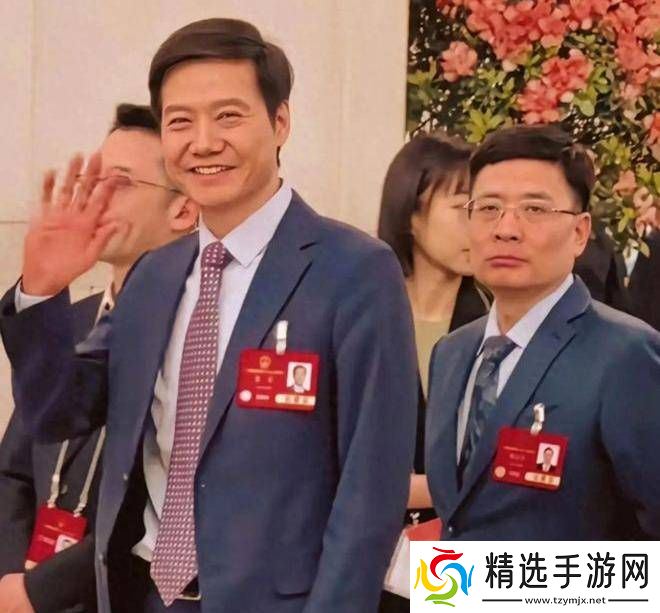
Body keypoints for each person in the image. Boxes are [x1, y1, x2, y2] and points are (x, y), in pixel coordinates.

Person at [0, 18, 417, 613]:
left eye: (228, 116)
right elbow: (58, 412)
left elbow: (370, 492)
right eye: (180, 122)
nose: (203, 142)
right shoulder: (155, 276)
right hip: (146, 593)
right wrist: (41, 293)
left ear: (280, 122)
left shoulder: (354, 272)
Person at [0, 103, 198, 613]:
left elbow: (158, 509)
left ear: (183, 210)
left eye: (121, 183)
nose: (95, 197)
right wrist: (12, 578)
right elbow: (14, 471)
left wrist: (41, 591)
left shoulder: (200, 335)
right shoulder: (71, 320)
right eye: (93, 181)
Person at [425, 125, 660, 540]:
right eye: (488, 208)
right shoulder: (452, 352)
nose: (506, 228)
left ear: (580, 232)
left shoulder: (626, 356)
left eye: (534, 209)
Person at [377, 132, 489, 612]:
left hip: (460, 560)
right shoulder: (362, 314)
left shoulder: (496, 324)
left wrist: (409, 489)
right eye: (464, 208)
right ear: (411, 212)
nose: (479, 227)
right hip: (370, 557)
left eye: (483, 210)